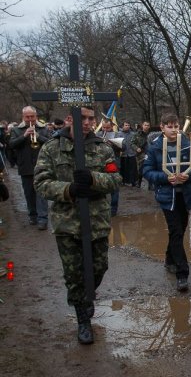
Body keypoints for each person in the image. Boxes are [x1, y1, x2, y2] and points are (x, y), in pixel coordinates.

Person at [34, 105, 121, 344]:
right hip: (67, 223)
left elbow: (115, 180)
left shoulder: (102, 148)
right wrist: (68, 189)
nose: (87, 122)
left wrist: (94, 178)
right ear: (69, 119)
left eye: (91, 118)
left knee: (99, 267)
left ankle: (86, 297)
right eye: (82, 117)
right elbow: (40, 183)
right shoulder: (52, 148)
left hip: (97, 220)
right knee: (74, 274)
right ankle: (83, 318)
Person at [142, 112, 191, 292]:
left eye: (176, 126)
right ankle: (182, 274)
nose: (174, 130)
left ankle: (169, 259)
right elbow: (146, 171)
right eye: (170, 126)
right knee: (175, 231)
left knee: (180, 231)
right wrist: (166, 178)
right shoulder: (155, 148)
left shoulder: (187, 144)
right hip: (168, 197)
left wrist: (188, 175)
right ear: (162, 128)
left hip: (185, 195)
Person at [8, 106, 50, 230]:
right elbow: (11, 144)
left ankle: (43, 219)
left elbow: (50, 142)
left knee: (41, 193)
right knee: (29, 193)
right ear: (23, 117)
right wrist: (24, 135)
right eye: (27, 117)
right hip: (25, 166)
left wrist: (38, 136)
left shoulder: (43, 128)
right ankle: (33, 215)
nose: (30, 119)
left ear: (36, 116)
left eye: (32, 116)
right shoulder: (16, 130)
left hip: (42, 165)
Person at [96, 119, 122, 216]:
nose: (105, 129)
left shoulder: (117, 135)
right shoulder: (97, 135)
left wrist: (115, 145)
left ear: (112, 127)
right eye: (104, 127)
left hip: (114, 165)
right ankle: (102, 208)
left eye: (108, 127)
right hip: (100, 164)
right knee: (100, 187)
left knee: (114, 188)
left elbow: (125, 148)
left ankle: (113, 210)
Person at [132, 120, 151, 187]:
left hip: (150, 153)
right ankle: (139, 182)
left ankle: (150, 184)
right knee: (140, 169)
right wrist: (136, 148)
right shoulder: (137, 134)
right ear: (142, 125)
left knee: (150, 168)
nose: (146, 126)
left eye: (148, 125)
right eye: (145, 125)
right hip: (140, 154)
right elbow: (132, 143)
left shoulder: (151, 135)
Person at [119, 121, 138, 186]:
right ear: (122, 126)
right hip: (123, 154)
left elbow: (136, 143)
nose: (127, 126)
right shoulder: (119, 134)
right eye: (126, 125)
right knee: (123, 168)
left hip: (131, 153)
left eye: (128, 125)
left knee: (132, 169)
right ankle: (123, 181)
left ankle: (133, 181)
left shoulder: (133, 134)